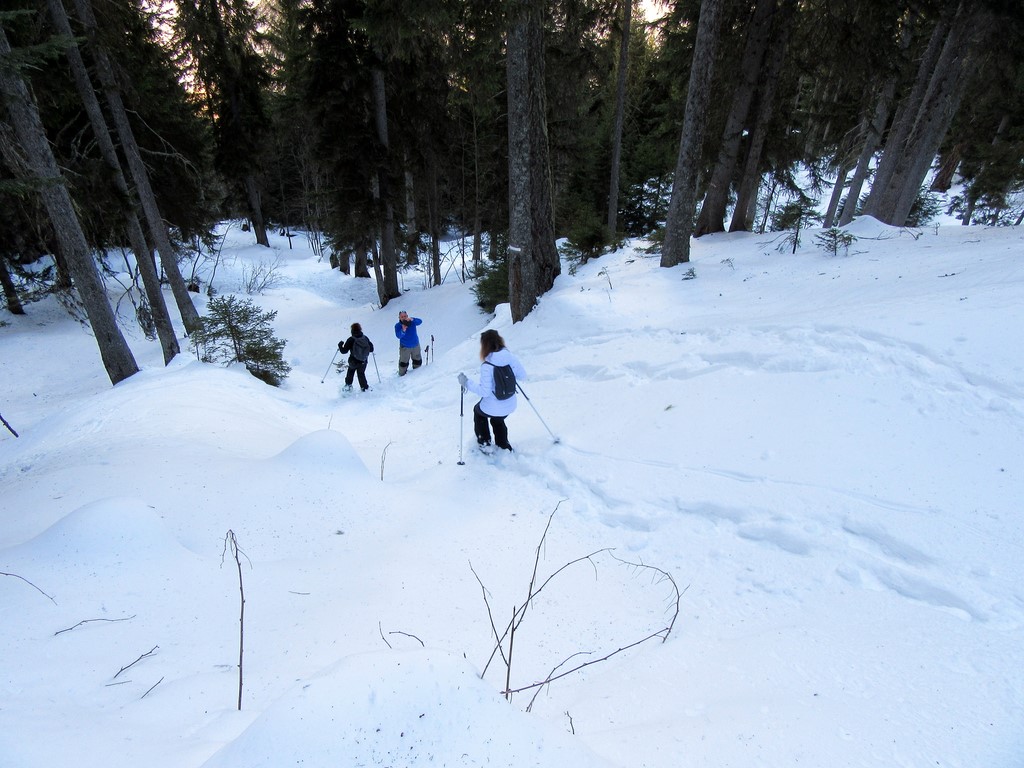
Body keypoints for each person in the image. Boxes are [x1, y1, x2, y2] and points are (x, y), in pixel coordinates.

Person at [458, 329, 526, 452]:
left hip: (493, 407)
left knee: (478, 412)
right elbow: (523, 376)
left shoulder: (487, 365)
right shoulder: (510, 357)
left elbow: (484, 392)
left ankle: (484, 443)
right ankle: (503, 444)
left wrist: (466, 382)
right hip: (510, 404)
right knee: (497, 419)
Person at [338, 322, 374, 391]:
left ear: (352, 330)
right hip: (363, 360)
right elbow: (371, 349)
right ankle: (365, 388)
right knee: (361, 374)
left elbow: (344, 351)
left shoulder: (351, 339)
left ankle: (348, 386)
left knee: (351, 371)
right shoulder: (365, 338)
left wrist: (340, 345)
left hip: (353, 361)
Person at [394, 310, 423, 376]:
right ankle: (401, 375)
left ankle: (418, 374)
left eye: (405, 316)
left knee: (417, 361)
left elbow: (420, 321)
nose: (404, 318)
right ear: (399, 318)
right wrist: (403, 330)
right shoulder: (398, 326)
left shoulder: (412, 322)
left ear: (407, 316)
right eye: (402, 317)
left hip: (415, 345)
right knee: (403, 363)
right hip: (405, 347)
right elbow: (398, 336)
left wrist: (413, 319)